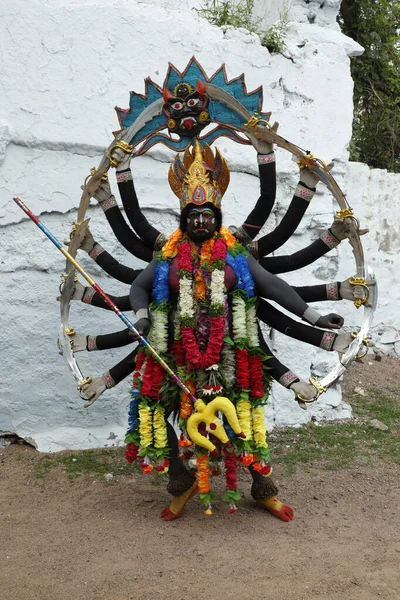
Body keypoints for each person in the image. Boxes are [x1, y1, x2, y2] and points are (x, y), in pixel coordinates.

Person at [125, 141, 344, 521]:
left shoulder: (234, 255)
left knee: (243, 418)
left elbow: (272, 285)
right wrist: (143, 315)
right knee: (157, 412)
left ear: (218, 216)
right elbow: (139, 287)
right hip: (178, 353)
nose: (200, 221)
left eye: (207, 214)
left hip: (231, 352)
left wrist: (312, 315)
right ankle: (182, 480)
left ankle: (262, 488)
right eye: (192, 215)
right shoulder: (169, 256)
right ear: (182, 218)